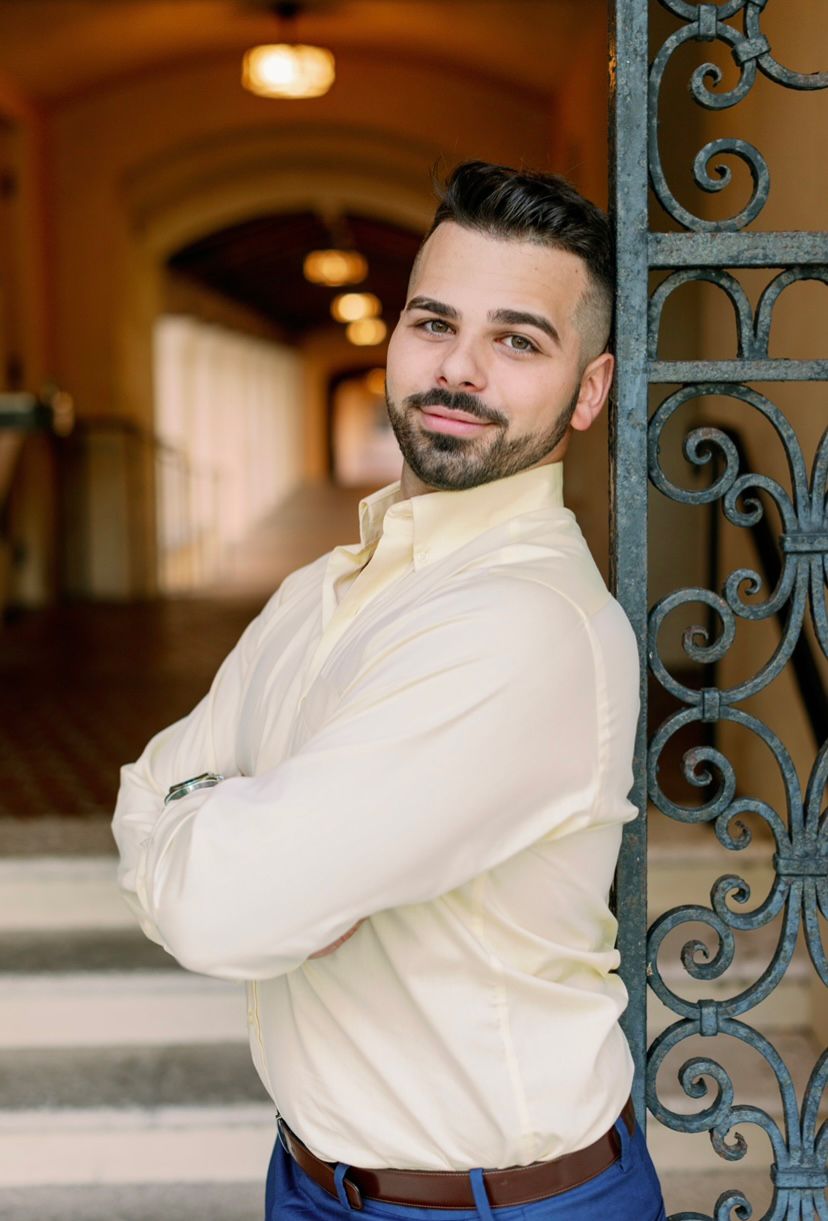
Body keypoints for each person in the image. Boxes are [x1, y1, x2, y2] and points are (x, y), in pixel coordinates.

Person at [113, 160, 666, 1220]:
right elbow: (142, 790)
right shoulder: (318, 591)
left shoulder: (525, 625)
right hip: (309, 1181)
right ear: (392, 339)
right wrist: (241, 840)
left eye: (518, 340)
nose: (459, 369)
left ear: (589, 390)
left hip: (501, 1207)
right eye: (432, 322)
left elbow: (223, 912)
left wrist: (236, 839)